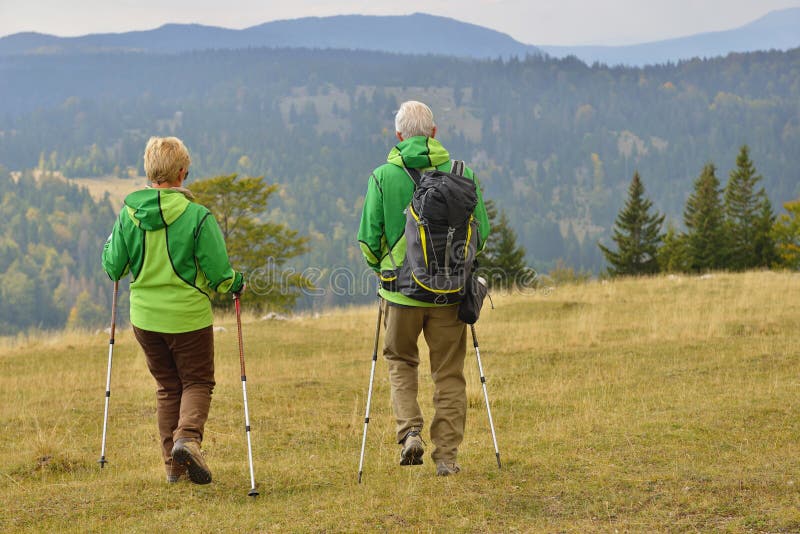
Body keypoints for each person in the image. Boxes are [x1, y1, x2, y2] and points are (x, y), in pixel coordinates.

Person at [357, 101, 490, 476]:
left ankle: (410, 431)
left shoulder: (383, 176)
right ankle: (446, 458)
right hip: (450, 295)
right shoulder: (463, 173)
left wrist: (385, 270)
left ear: (399, 136)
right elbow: (482, 234)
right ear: (434, 132)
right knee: (448, 374)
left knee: (401, 361)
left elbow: (368, 241)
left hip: (400, 294)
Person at [101, 136, 244, 484]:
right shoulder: (198, 217)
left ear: (150, 173)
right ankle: (187, 439)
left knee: (167, 386)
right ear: (182, 173)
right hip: (188, 318)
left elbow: (113, 267)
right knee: (197, 381)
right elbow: (219, 274)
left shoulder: (128, 216)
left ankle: (174, 468)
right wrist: (236, 283)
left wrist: (112, 242)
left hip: (145, 320)